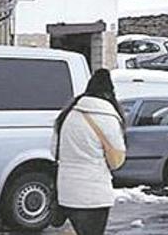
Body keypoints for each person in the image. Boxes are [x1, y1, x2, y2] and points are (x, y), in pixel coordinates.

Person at [52, 69, 126, 235]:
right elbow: (117, 161)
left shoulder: (67, 115)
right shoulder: (108, 117)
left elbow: (54, 151)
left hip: (67, 193)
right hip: (94, 196)